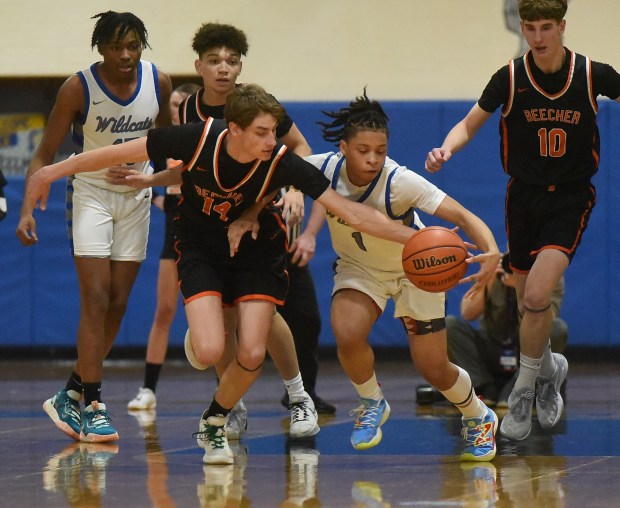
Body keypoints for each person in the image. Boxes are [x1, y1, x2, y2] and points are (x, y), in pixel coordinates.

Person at [26, 83, 418, 465]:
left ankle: (214, 419)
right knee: (212, 350)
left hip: (256, 252)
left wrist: (413, 238)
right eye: (262, 133)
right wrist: (49, 173)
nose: (271, 141)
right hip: (202, 247)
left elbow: (351, 212)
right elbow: (110, 155)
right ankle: (206, 332)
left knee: (251, 351)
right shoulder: (196, 139)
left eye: (274, 132)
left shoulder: (280, 161)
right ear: (235, 130)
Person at [125, 23, 331, 441]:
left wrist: (286, 192)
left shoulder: (258, 106)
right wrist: (150, 182)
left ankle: (298, 395)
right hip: (206, 223)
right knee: (223, 318)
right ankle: (231, 405)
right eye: (215, 61)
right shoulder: (189, 110)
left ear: (241, 67)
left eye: (232, 61)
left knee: (266, 313)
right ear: (199, 65)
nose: (224, 69)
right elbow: (185, 170)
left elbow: (301, 152)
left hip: (256, 221)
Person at [425, 0, 620, 441]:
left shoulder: (592, 74)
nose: (537, 37)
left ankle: (524, 393)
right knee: (528, 305)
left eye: (546, 27)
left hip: (570, 198)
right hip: (524, 199)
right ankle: (550, 369)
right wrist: (446, 148)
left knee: (535, 296)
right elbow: (470, 123)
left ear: (562, 26)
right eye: (530, 27)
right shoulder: (510, 77)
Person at [300, 90, 501, 461]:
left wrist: (490, 248)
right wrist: (291, 194)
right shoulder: (321, 168)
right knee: (347, 332)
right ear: (343, 147)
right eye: (363, 150)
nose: (373, 158)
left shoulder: (399, 181)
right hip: (359, 269)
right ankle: (372, 401)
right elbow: (275, 170)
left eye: (380, 149)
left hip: (417, 271)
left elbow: (462, 217)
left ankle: (478, 415)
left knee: (433, 368)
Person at [16, 11, 172, 443]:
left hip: (136, 197)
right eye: (116, 46)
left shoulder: (158, 83)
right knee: (96, 298)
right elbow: (43, 154)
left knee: (119, 302)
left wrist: (156, 182)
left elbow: (169, 149)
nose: (125, 54)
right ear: (100, 48)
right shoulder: (77, 87)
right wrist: (27, 209)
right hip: (90, 196)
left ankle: (69, 392)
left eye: (133, 46)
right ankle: (95, 405)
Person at [126, 82, 200, 414]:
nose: (175, 108)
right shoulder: (164, 144)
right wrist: (163, 196)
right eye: (172, 103)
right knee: (164, 311)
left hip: (205, 237)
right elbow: (154, 190)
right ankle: (148, 389)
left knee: (214, 317)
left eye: (182, 103)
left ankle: (229, 395)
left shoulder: (207, 142)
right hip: (174, 237)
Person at [445, 252, 568, 407]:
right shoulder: (495, 266)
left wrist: (521, 287)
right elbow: (467, 313)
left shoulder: (548, 272)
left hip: (527, 351)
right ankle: (484, 386)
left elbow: (545, 322)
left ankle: (518, 387)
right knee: (450, 325)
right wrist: (488, 281)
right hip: (492, 346)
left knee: (557, 329)